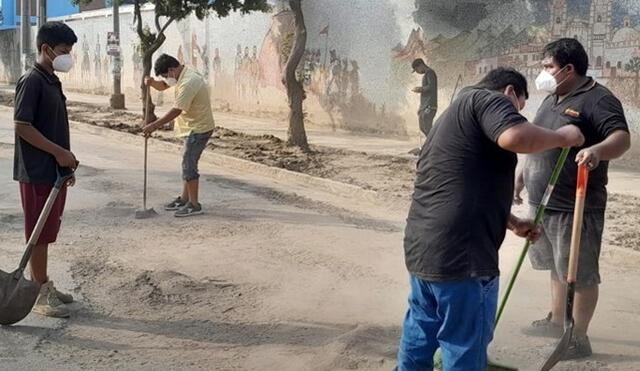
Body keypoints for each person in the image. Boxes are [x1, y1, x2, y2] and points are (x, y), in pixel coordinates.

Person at [396, 67, 586, 371]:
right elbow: (515, 136)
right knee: (465, 344)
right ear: (511, 92)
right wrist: (563, 136)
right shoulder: (488, 99)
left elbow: (458, 183)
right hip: (463, 255)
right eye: (520, 107)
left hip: (424, 246)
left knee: (421, 331)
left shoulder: (450, 116)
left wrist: (511, 221)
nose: (515, 112)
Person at [516, 38, 630, 359]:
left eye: (548, 67)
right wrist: (521, 178)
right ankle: (556, 320)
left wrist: (596, 150)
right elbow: (538, 141)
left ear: (568, 69)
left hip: (576, 203)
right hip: (543, 202)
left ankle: (577, 336)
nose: (543, 73)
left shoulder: (598, 99)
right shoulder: (552, 98)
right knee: (556, 265)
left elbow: (621, 139)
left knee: (578, 271)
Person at [13, 21, 79, 318]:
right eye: (64, 51)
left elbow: (54, 128)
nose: (68, 56)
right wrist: (59, 153)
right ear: (46, 49)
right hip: (37, 170)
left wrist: (65, 165)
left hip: (54, 171)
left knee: (48, 231)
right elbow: (22, 127)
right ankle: (38, 293)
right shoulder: (32, 80)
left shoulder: (52, 79)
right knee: (38, 233)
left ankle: (42, 282)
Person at [143, 54, 215, 217]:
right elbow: (163, 85)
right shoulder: (182, 73)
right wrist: (152, 83)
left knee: (188, 164)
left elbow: (177, 110)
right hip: (191, 126)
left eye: (166, 75)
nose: (166, 79)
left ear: (172, 70)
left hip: (199, 129)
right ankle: (184, 199)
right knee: (188, 164)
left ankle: (194, 205)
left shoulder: (188, 82)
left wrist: (154, 125)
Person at [411, 58, 438, 138]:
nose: (417, 72)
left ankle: (433, 145)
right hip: (424, 106)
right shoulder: (426, 74)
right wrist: (420, 107)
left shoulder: (430, 72)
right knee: (422, 127)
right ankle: (430, 144)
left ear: (421, 65)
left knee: (427, 127)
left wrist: (420, 89)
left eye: (416, 70)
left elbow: (431, 86)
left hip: (429, 106)